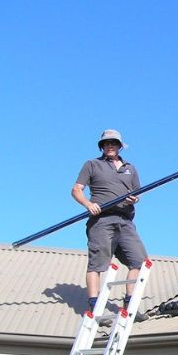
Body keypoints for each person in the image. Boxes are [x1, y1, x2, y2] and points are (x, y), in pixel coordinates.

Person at [71, 129, 148, 322]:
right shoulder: (92, 164)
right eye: (106, 143)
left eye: (113, 143)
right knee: (97, 264)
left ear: (120, 146)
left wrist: (134, 199)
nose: (110, 146)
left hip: (125, 221)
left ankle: (130, 305)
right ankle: (95, 308)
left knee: (139, 261)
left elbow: (137, 193)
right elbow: (76, 190)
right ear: (102, 146)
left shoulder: (131, 168)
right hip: (102, 220)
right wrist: (89, 204)